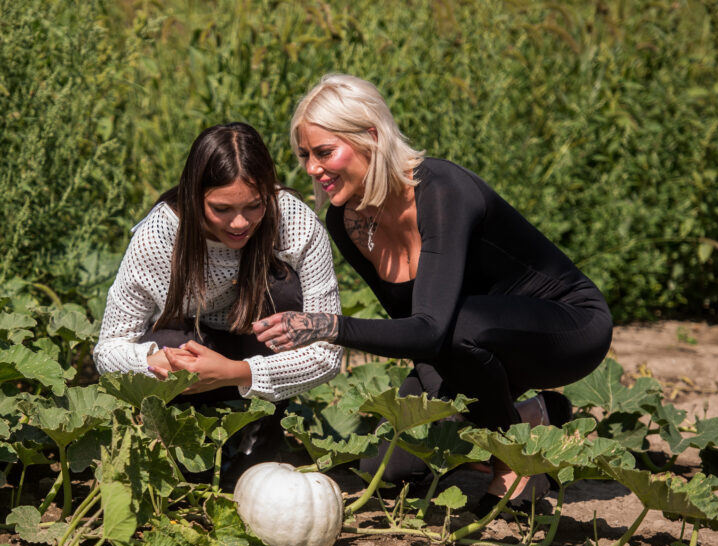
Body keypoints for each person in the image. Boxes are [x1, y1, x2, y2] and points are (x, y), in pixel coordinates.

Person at [253, 74, 613, 510]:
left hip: (566, 327)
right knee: (388, 468)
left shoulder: (442, 190)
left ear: (370, 136)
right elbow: (417, 330)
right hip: (462, 340)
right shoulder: (345, 223)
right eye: (305, 155)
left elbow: (430, 330)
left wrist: (324, 325)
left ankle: (513, 465)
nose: (311, 168)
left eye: (324, 152)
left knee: (463, 326)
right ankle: (531, 415)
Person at [93, 121, 343, 475]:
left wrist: (235, 373)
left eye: (254, 206)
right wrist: (157, 361)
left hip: (256, 360)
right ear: (195, 197)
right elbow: (107, 351)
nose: (240, 223)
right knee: (162, 343)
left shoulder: (296, 224)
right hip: (188, 360)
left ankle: (261, 430)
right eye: (222, 209)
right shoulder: (159, 237)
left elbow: (328, 352)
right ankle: (186, 439)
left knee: (285, 289)